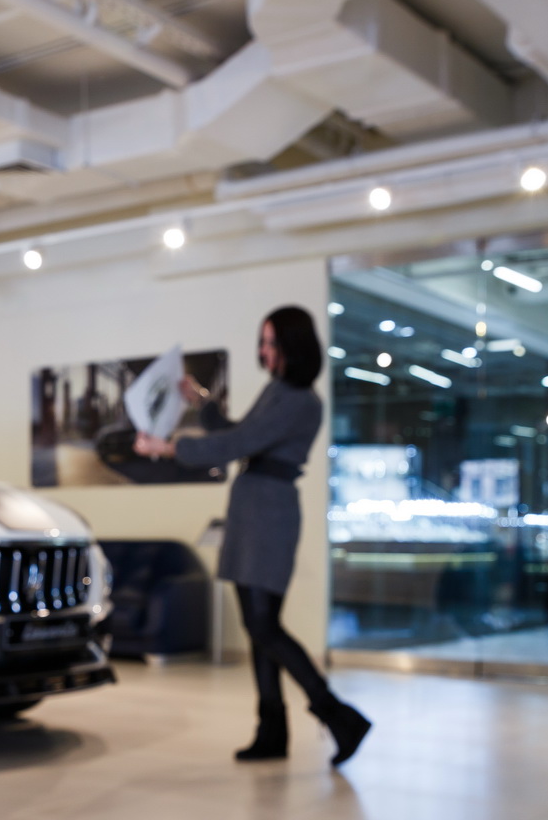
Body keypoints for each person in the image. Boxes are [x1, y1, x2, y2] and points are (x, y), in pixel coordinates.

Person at [134, 307, 371, 765]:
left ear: (294, 346)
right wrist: (202, 400)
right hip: (253, 505)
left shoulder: (302, 400)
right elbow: (238, 433)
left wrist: (168, 448)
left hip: (269, 510)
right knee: (257, 628)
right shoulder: (279, 390)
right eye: (262, 342)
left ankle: (337, 716)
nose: (264, 352)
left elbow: (237, 444)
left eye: (272, 343)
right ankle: (272, 730)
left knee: (263, 625)